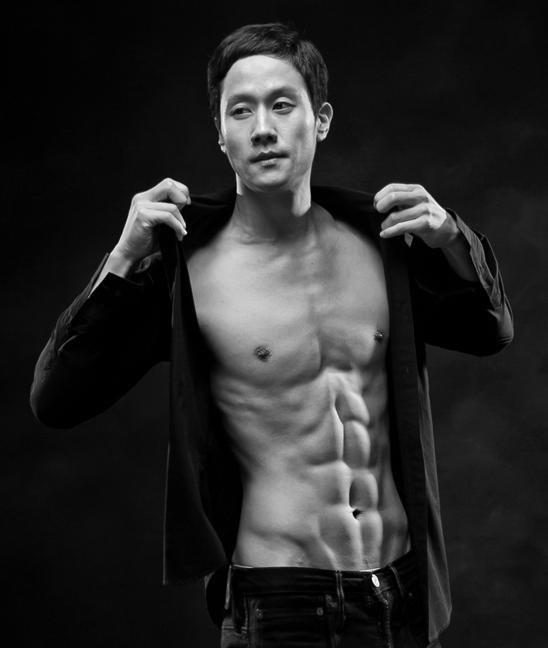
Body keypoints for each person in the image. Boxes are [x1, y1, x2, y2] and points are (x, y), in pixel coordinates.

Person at [30, 22, 513, 648]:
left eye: (282, 105)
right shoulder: (189, 272)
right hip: (281, 605)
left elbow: (490, 331)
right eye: (241, 110)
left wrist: (451, 237)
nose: (262, 128)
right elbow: (58, 399)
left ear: (321, 120)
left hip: (400, 596)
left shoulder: (381, 244)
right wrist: (122, 257)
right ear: (221, 133)